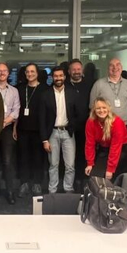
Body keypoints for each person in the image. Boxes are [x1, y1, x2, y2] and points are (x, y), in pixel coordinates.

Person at [39, 66, 79, 194]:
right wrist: (44, 139)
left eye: (60, 76)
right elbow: (42, 118)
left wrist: (73, 126)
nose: (58, 78)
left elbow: (78, 113)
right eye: (55, 76)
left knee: (70, 165)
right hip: (52, 133)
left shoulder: (73, 93)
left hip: (68, 132)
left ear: (65, 77)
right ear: (52, 78)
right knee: (53, 165)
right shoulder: (45, 95)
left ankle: (68, 189)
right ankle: (52, 190)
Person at [14, 63, 47, 197]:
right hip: (22, 129)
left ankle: (37, 183)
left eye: (32, 71)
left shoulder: (45, 89)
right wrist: (14, 128)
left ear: (37, 73)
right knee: (23, 157)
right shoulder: (20, 89)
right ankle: (24, 183)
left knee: (38, 157)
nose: (30, 74)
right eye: (27, 72)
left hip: (39, 130)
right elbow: (16, 110)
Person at [0, 62, 20, 204]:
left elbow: (16, 110)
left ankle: (10, 191)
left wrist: (4, 123)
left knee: (8, 161)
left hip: (6, 128)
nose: (2, 73)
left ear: (8, 73)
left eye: (5, 71)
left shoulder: (14, 91)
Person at [85, 97, 127, 180]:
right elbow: (89, 144)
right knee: (95, 174)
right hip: (105, 147)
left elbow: (115, 147)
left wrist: (110, 169)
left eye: (104, 108)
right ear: (94, 110)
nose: (101, 110)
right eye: (98, 108)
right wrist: (90, 163)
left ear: (109, 109)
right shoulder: (90, 122)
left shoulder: (117, 122)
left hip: (124, 147)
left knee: (110, 175)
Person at [66, 59, 92, 191]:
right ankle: (69, 181)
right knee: (69, 156)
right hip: (68, 127)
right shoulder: (64, 86)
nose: (76, 72)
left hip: (85, 127)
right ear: (69, 71)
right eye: (74, 69)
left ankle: (81, 180)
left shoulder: (90, 86)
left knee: (83, 154)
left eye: (78, 69)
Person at [89, 58, 127, 125]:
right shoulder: (99, 84)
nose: (115, 68)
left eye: (117, 64)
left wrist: (123, 115)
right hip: (104, 124)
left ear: (121, 67)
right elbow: (92, 105)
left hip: (123, 124)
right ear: (108, 68)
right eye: (112, 65)